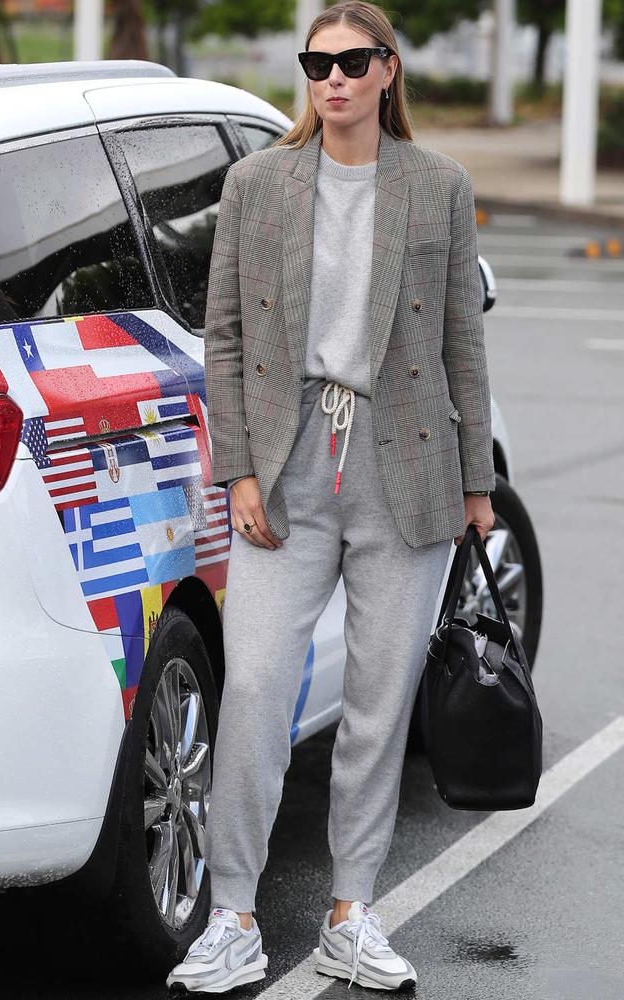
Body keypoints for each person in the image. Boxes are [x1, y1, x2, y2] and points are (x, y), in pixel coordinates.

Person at [166, 0, 496, 993]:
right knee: (259, 687)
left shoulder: (435, 187)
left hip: (405, 465)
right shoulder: (255, 183)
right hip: (289, 456)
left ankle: (350, 914)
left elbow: (460, 344)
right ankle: (232, 918)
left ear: (387, 71)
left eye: (353, 60)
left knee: (374, 705)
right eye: (317, 61)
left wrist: (477, 483)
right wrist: (240, 469)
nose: (333, 77)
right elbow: (223, 335)